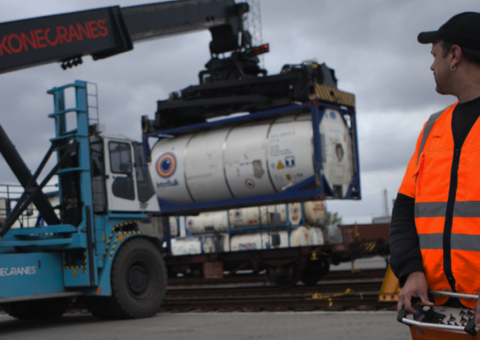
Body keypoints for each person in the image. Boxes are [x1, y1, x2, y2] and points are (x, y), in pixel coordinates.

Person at [390, 11, 480, 326]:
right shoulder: (432, 128)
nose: (431, 66)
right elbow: (404, 210)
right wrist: (411, 271)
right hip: (434, 316)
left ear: (454, 55)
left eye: (434, 55)